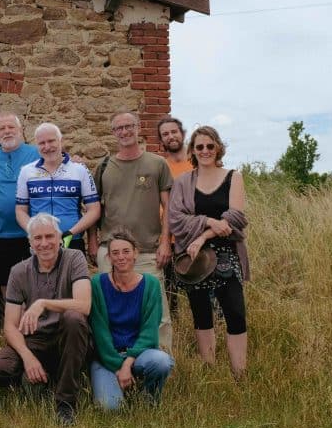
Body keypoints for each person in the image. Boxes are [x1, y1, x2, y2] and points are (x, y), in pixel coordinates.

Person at [0, 213, 92, 425]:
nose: (44, 243)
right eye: (38, 238)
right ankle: (39, 378)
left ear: (59, 237)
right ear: (30, 243)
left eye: (49, 237)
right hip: (35, 340)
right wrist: (27, 356)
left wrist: (42, 303)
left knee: (73, 318)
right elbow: (10, 326)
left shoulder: (74, 258)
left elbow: (84, 305)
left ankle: (66, 403)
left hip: (67, 337)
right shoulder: (18, 271)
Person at [168, 126, 250, 378]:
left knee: (234, 311)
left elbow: (235, 217)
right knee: (201, 313)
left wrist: (205, 232)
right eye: (199, 146)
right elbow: (176, 218)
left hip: (226, 254)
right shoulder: (184, 182)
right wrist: (210, 221)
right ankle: (209, 369)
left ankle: (240, 374)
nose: (205, 151)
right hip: (195, 257)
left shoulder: (233, 177)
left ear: (218, 148)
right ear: (192, 150)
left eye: (210, 146)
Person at [89, 112, 174, 352]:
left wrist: (165, 242)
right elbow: (95, 208)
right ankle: (113, 362)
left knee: (159, 313)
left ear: (138, 128)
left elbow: (169, 207)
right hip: (110, 252)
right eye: (119, 128)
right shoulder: (104, 167)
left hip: (148, 251)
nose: (124, 132)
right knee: (109, 310)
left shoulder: (157, 164)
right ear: (113, 132)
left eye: (129, 126)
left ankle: (162, 362)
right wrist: (93, 243)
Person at [88, 230, 174, 410]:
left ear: (136, 253)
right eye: (115, 253)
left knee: (162, 362)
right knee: (111, 407)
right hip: (106, 357)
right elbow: (100, 334)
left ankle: (148, 399)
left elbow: (150, 333)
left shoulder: (150, 284)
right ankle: (118, 386)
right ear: (109, 258)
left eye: (126, 251)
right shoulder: (96, 284)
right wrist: (118, 367)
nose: (121, 257)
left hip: (139, 354)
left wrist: (127, 364)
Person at [0, 112, 40, 301]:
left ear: (20, 130)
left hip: (34, 230)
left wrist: (76, 159)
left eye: (11, 127)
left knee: (37, 278)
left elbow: (62, 165)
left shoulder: (37, 153)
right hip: (2, 233)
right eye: (1, 129)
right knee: (7, 280)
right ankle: (12, 322)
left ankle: (37, 323)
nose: (7, 132)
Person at [15, 122, 100, 253]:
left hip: (72, 240)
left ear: (61, 141)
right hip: (40, 243)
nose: (47, 147)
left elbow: (94, 209)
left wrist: (70, 233)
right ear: (37, 145)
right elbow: (20, 210)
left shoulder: (80, 170)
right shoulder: (26, 172)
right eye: (42, 143)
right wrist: (35, 232)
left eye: (51, 141)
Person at [157, 115, 193, 313]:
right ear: (161, 141)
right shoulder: (160, 167)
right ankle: (176, 338)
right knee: (171, 296)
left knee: (200, 292)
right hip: (168, 239)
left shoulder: (197, 162)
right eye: (165, 134)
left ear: (182, 134)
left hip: (194, 237)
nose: (170, 136)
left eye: (173, 132)